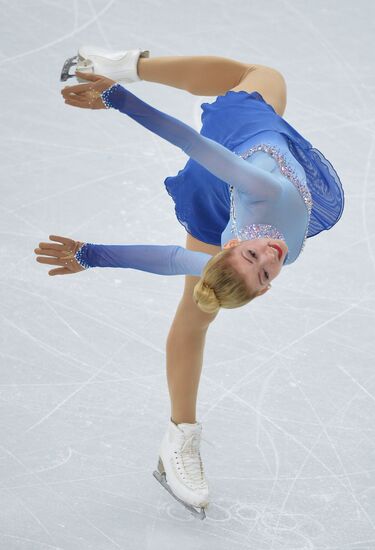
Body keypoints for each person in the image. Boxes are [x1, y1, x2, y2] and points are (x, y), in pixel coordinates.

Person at [34, 49, 345, 519]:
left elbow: (173, 238)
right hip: (228, 169)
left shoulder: (253, 212)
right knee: (261, 77)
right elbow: (189, 169)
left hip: (224, 171)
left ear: (231, 254)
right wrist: (119, 99)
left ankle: (123, 65)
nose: (269, 256)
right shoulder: (264, 222)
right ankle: (122, 66)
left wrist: (89, 253)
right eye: (261, 266)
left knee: (259, 77)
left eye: (253, 260)